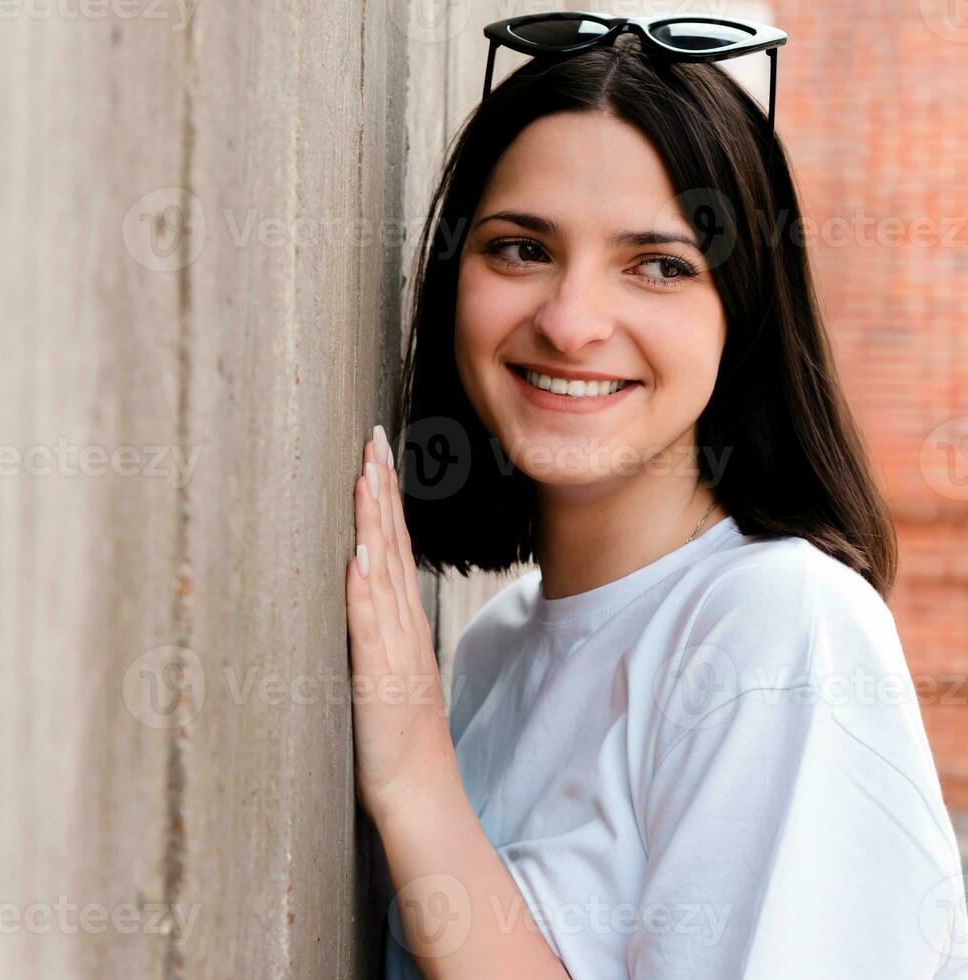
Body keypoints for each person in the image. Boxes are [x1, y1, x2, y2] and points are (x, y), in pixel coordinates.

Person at [345, 20, 968, 980]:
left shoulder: (781, 630)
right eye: (520, 248)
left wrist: (420, 785)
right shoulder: (491, 653)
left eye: (660, 265)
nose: (570, 321)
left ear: (745, 312)